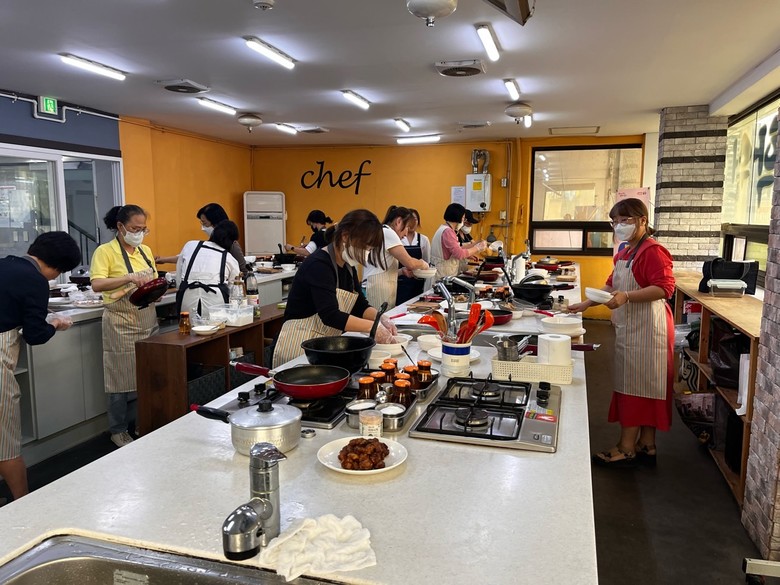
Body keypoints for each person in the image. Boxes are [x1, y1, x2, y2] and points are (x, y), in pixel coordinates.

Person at [567, 198, 675, 468]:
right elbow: (610, 284)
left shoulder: (653, 251)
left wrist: (627, 296)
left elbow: (665, 288)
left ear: (643, 220)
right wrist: (586, 304)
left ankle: (626, 448)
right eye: (615, 222)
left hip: (649, 330)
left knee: (635, 387)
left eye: (625, 220)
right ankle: (647, 444)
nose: (619, 226)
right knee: (646, 385)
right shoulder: (626, 251)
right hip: (634, 327)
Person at [0, 232, 81, 500]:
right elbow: (35, 335)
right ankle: (24, 505)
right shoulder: (35, 280)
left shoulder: (5, 264)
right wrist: (55, 324)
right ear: (56, 267)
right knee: (6, 443)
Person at [273, 209, 400, 368]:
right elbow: (330, 315)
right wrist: (373, 327)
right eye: (365, 247)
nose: (366, 253)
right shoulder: (319, 265)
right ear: (345, 236)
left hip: (323, 348)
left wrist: (381, 318)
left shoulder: (348, 266)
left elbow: (359, 305)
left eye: (370, 249)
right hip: (298, 349)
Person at [90, 205, 160, 448]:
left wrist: (156, 291)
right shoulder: (105, 251)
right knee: (119, 379)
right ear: (120, 227)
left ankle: (144, 422)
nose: (139, 233)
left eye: (143, 229)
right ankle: (118, 430)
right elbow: (97, 285)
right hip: (120, 321)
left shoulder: (145, 251)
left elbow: (153, 279)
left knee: (148, 375)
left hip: (147, 318)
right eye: (134, 228)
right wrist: (129, 278)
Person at [363, 206, 429, 310]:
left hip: (376, 286)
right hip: (376, 289)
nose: (406, 234)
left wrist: (402, 271)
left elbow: (381, 269)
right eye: (407, 227)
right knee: (378, 319)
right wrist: (423, 264)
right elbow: (410, 263)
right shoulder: (389, 233)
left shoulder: (383, 231)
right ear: (398, 221)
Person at [156, 203, 247, 275]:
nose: (203, 228)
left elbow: (243, 271)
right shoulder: (209, 243)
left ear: (216, 223)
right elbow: (186, 257)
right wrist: (163, 259)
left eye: (204, 223)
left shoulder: (232, 245)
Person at [175, 220, 241, 317]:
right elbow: (235, 292)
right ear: (232, 242)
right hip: (216, 302)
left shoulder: (191, 245)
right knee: (217, 326)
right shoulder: (230, 259)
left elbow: (179, 276)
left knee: (187, 325)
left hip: (187, 296)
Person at [430, 203, 487, 279]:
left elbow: (455, 249)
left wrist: (468, 254)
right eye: (463, 218)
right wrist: (477, 248)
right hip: (443, 274)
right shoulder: (448, 232)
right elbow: (459, 254)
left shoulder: (444, 229)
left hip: (441, 272)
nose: (463, 220)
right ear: (458, 217)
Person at [396, 208, 431, 305]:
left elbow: (427, 262)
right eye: (410, 220)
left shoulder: (423, 239)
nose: (412, 223)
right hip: (400, 280)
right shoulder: (398, 239)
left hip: (418, 281)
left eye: (415, 219)